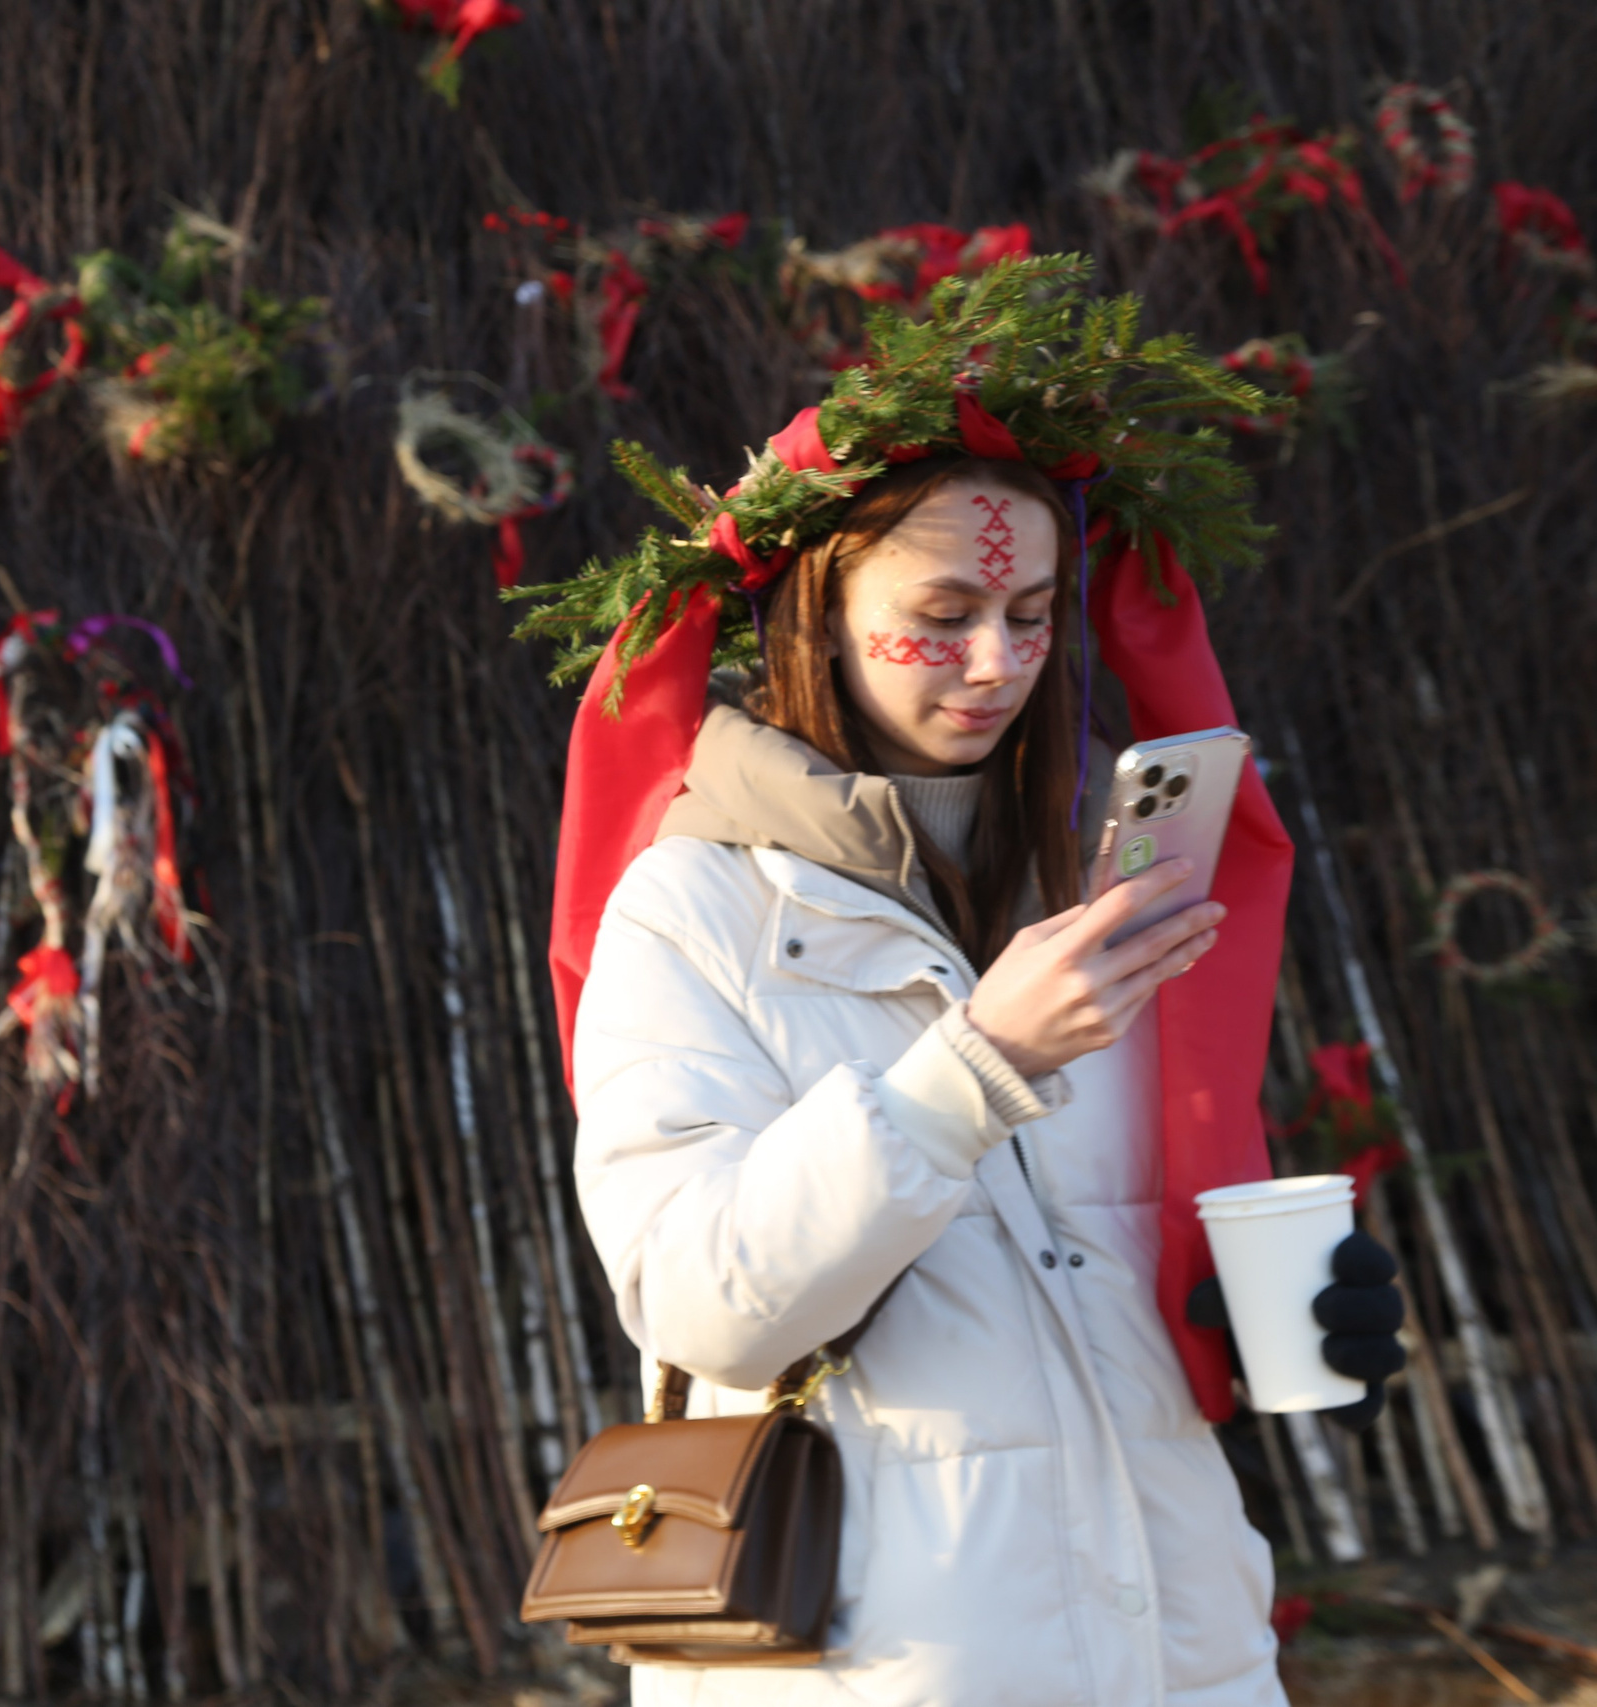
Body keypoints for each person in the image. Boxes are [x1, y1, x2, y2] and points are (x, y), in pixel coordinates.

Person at [539, 265, 1406, 1706]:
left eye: (1031, 608)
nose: (997, 662)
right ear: (817, 611)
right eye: (941, 612)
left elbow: (1093, 1273)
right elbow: (702, 1303)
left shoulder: (1094, 887)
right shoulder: (693, 908)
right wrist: (968, 1068)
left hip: (1184, 1658)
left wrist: (1276, 1325)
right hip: (885, 1671)